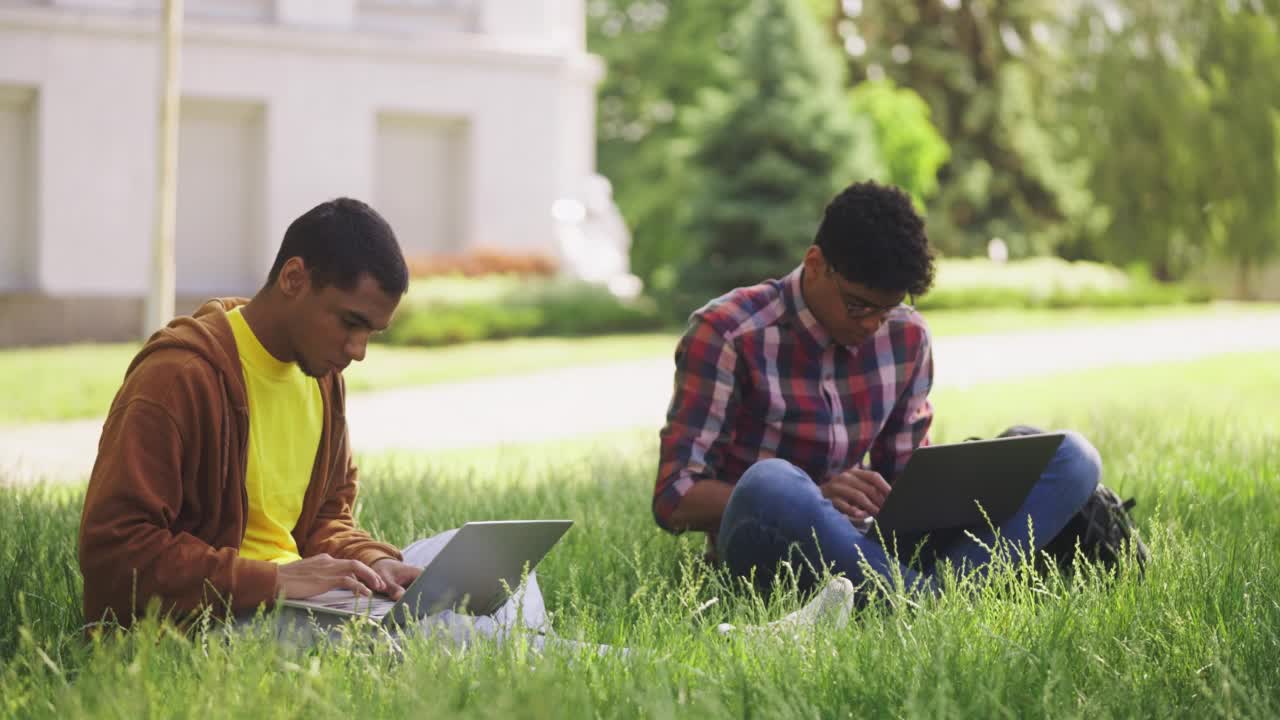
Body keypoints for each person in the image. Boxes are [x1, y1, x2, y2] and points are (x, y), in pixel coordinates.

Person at [77, 198, 566, 650]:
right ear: (294, 278)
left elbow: (326, 518)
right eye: (350, 323)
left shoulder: (320, 374)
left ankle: (518, 649)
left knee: (509, 573)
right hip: (214, 619)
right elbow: (115, 551)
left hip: (309, 595)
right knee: (437, 633)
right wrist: (275, 581)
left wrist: (376, 563)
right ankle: (563, 658)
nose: (358, 350)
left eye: (370, 333)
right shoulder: (178, 376)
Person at [653, 181, 1102, 611]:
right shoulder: (727, 334)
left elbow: (906, 477)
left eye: (886, 310)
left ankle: (926, 598)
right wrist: (817, 494)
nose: (872, 324)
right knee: (772, 482)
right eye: (858, 306)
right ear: (814, 264)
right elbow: (675, 497)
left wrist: (953, 485)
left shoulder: (906, 336)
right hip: (771, 549)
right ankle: (938, 604)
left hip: (878, 545)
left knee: (1073, 457)